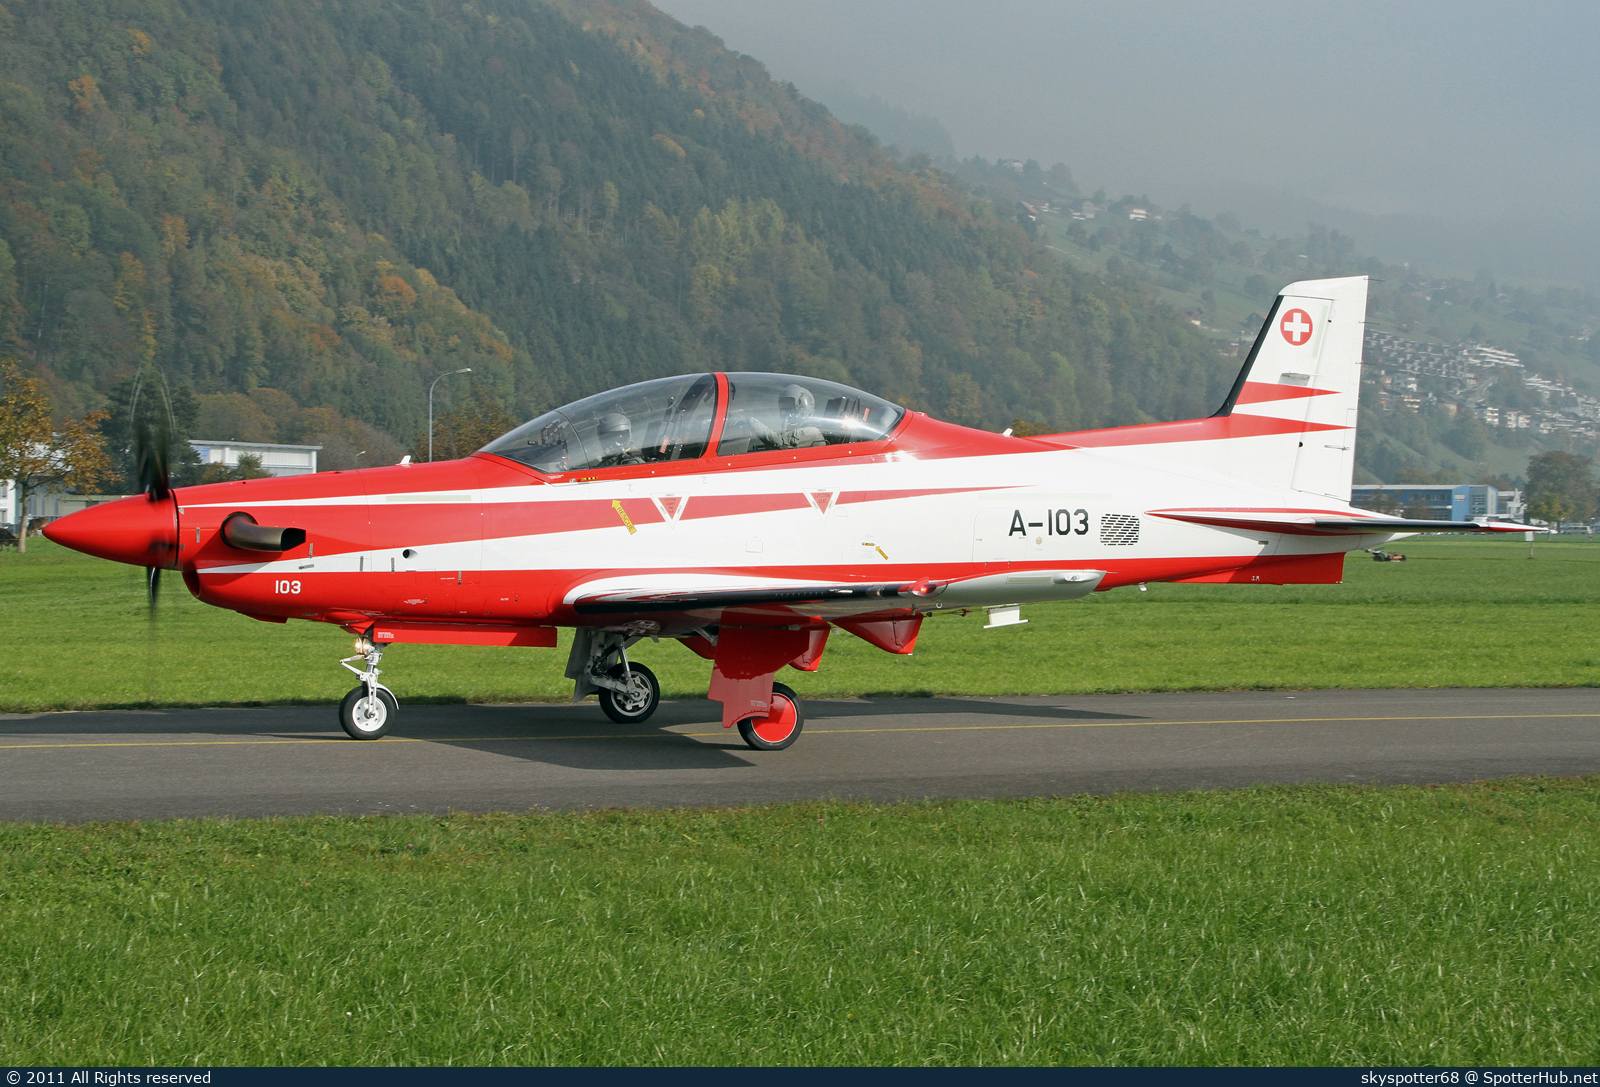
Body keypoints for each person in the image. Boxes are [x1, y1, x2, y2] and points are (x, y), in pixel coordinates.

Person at [749, 384, 826, 451]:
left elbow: (781, 442)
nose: (785, 410)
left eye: (789, 405)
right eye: (783, 404)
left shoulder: (812, 431)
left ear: (803, 405)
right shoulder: (791, 429)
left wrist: (750, 421)